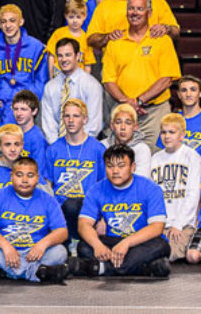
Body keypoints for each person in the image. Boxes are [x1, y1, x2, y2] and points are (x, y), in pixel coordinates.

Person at [72, 144, 170, 278]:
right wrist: (98, 245)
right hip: (112, 242)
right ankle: (143, 268)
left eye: (121, 166)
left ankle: (101, 268)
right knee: (84, 246)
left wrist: (127, 242)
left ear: (133, 167)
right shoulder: (96, 190)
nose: (115, 171)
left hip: (140, 242)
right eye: (110, 166)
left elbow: (157, 227)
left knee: (161, 246)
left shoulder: (150, 188)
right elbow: (83, 224)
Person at [102, 0, 181, 148]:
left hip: (154, 113)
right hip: (122, 112)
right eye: (131, 8)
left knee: (155, 157)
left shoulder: (162, 40)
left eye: (140, 9)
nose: (135, 12)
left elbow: (166, 79)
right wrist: (128, 102)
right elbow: (108, 81)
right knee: (120, 158)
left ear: (149, 13)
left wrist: (139, 101)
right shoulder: (115, 41)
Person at [0, 157, 69, 283]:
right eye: (19, 175)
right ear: (11, 176)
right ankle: (36, 273)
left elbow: (62, 231)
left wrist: (42, 245)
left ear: (37, 178)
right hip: (4, 251)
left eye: (30, 175)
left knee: (60, 251)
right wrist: (6, 246)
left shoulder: (48, 200)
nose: (24, 180)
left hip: (35, 253)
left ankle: (8, 272)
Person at [45, 99, 106, 242]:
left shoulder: (98, 149)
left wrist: (104, 218)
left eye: (76, 116)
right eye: (67, 116)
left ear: (85, 119)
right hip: (60, 211)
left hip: (87, 210)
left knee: (72, 205)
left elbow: (105, 187)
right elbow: (47, 185)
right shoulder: (53, 149)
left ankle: (76, 240)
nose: (71, 120)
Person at [0, 4, 47, 125]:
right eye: (4, 22)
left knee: (10, 130)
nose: (8, 25)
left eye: (12, 21)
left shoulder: (36, 47)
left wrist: (27, 99)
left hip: (21, 100)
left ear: (21, 22)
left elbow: (41, 81)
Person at [150, 114, 201, 262]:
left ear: (182, 135)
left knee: (169, 254)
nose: (167, 136)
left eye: (171, 132)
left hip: (183, 224)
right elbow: (151, 196)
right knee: (148, 250)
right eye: (163, 132)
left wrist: (178, 224)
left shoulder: (192, 157)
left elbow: (193, 195)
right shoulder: (155, 159)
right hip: (160, 223)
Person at [41, 37, 104, 144]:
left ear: (78, 56)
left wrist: (76, 146)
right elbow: (49, 125)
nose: (64, 59)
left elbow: (94, 125)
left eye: (68, 55)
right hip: (56, 146)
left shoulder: (91, 85)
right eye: (60, 56)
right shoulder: (50, 87)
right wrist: (57, 146)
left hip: (85, 145)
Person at [45, 0, 95, 78]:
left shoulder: (86, 39)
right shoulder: (58, 34)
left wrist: (85, 81)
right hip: (58, 75)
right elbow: (51, 56)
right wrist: (50, 76)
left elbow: (88, 64)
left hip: (77, 78)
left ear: (84, 16)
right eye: (71, 17)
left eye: (78, 17)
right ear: (65, 16)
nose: (75, 21)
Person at [103, 104, 152, 178]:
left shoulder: (142, 149)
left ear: (135, 126)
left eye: (128, 123)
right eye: (118, 122)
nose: (123, 127)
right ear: (112, 126)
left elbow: (141, 180)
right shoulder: (102, 146)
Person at [161, 75, 201, 153]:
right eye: (184, 90)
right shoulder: (171, 120)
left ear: (200, 93)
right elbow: (163, 152)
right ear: (179, 94)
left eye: (193, 90)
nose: (188, 94)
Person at [10, 90, 49, 172]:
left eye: (23, 109)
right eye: (16, 109)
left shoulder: (37, 138)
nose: (18, 113)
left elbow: (39, 171)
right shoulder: (10, 133)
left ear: (34, 111)